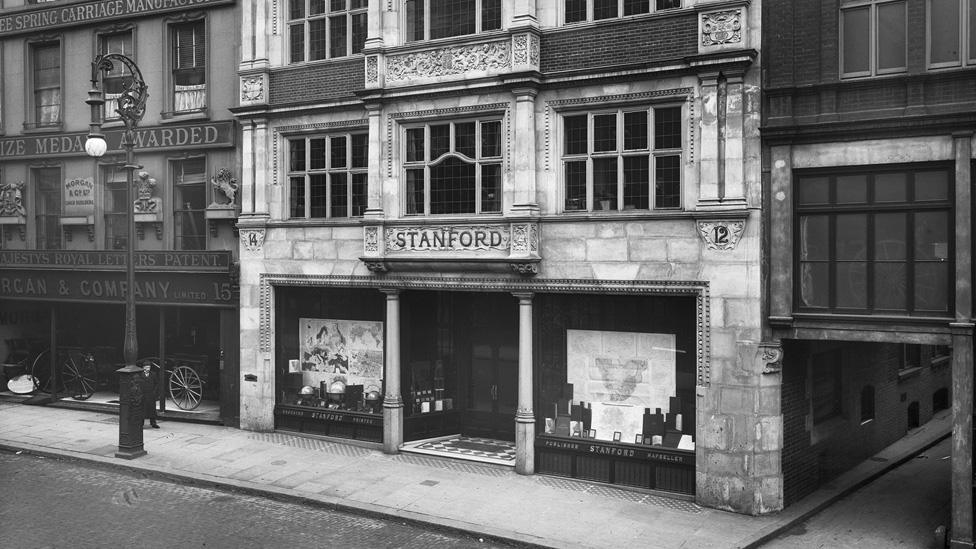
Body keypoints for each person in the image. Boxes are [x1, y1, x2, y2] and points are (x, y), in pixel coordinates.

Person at [140, 362, 160, 428]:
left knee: (152, 409)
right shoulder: (140, 374)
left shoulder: (153, 374)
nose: (148, 368)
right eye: (147, 367)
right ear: (143, 367)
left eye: (149, 367)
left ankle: (153, 423)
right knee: (143, 409)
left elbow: (157, 383)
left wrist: (154, 392)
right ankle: (141, 423)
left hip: (151, 394)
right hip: (143, 394)